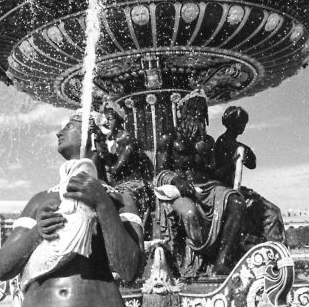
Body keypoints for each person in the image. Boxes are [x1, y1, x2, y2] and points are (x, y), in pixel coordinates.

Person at [0, 111, 144, 307]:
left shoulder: (120, 200)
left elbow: (129, 270)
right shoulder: (40, 199)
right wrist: (37, 233)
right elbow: (1, 269)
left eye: (68, 126)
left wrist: (102, 203)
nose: (59, 133)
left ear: (91, 137)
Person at [155, 89, 246, 276]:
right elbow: (159, 172)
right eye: (192, 109)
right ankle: (194, 262)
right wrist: (176, 180)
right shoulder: (169, 137)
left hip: (209, 187)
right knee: (189, 213)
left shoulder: (208, 141)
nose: (197, 114)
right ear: (183, 112)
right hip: (181, 190)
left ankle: (222, 261)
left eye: (201, 110)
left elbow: (213, 172)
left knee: (236, 201)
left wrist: (233, 162)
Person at [214, 106, 286, 249]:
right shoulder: (222, 143)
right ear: (231, 123)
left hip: (236, 188)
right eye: (241, 123)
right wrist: (233, 161)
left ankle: (272, 248)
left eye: (244, 123)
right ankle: (275, 250)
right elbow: (216, 173)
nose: (243, 126)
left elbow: (252, 164)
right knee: (272, 213)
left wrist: (244, 153)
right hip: (226, 189)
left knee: (273, 211)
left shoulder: (237, 144)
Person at [95, 100, 154, 221]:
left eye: (110, 118)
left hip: (132, 183)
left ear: (119, 120)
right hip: (116, 183)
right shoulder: (109, 139)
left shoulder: (126, 138)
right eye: (106, 119)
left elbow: (116, 168)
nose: (107, 122)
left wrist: (105, 168)